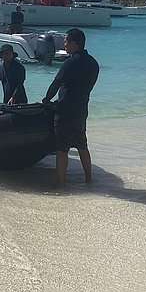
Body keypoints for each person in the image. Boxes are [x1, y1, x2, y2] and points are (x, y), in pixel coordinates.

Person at [42, 28, 99, 187]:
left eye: (66, 42)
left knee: (62, 150)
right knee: (82, 146)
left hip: (65, 111)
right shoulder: (94, 63)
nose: (65, 45)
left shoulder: (70, 62)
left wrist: (46, 100)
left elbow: (56, 83)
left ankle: (61, 184)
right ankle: (89, 179)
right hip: (81, 110)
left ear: (75, 44)